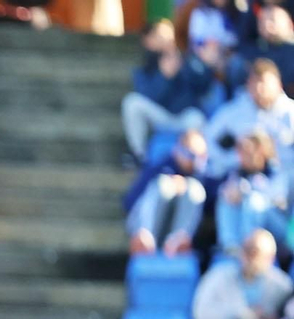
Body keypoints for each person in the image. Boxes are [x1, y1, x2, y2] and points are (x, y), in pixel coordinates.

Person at [121, 18, 219, 160]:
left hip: (185, 116)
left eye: (169, 34)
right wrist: (164, 77)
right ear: (147, 40)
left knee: (196, 118)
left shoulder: (188, 58)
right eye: (161, 35)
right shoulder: (145, 68)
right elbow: (149, 96)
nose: (167, 39)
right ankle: (139, 155)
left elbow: (203, 87)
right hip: (160, 116)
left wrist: (207, 66)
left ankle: (197, 159)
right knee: (132, 103)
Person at [190, 229, 292, 319]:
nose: (248, 256)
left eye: (254, 251)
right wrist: (242, 316)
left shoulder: (282, 286)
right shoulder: (218, 276)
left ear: (270, 258)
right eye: (246, 249)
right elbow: (200, 312)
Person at [201, 59, 294, 177]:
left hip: (284, 176)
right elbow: (207, 139)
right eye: (254, 82)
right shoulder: (236, 110)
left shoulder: (290, 112)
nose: (259, 88)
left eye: (263, 82)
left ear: (278, 85)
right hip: (241, 178)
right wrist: (234, 159)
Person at [124, 127, 209, 256]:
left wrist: (185, 185)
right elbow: (129, 202)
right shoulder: (159, 167)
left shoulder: (204, 176)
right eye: (191, 155)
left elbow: (212, 203)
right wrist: (171, 183)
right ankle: (144, 239)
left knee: (194, 188)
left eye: (201, 156)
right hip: (143, 222)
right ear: (178, 149)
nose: (196, 161)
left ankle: (178, 242)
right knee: (163, 184)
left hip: (178, 231)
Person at [215, 131, 288, 252]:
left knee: (253, 199)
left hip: (277, 227)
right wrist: (235, 193)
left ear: (261, 150)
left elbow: (279, 203)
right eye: (240, 150)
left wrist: (248, 191)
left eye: (247, 150)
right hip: (245, 221)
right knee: (226, 198)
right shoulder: (238, 172)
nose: (242, 155)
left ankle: (249, 248)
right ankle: (230, 246)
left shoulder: (276, 171)